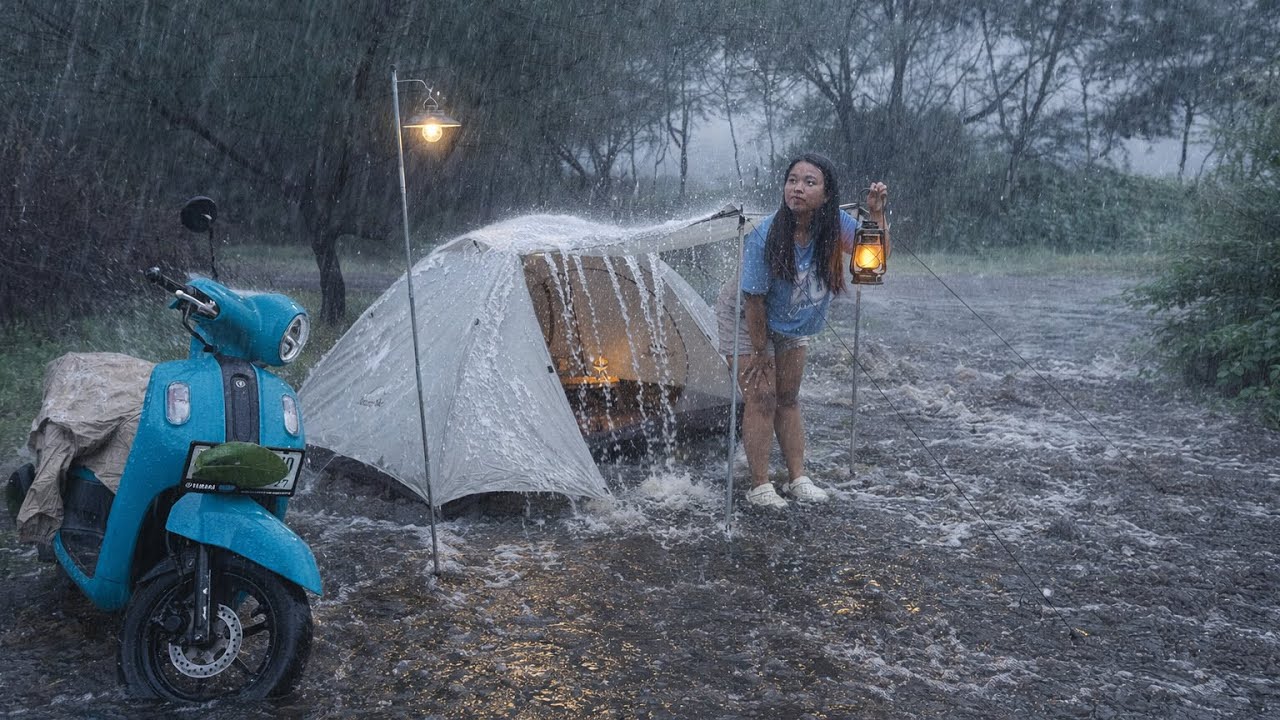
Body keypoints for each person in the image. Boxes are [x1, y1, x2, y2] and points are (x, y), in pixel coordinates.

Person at [716, 153, 889, 509]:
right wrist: (760, 351)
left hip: (792, 319)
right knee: (762, 396)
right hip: (747, 317)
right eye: (792, 180)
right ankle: (760, 485)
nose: (797, 188)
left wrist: (876, 215)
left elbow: (875, 261)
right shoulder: (765, 234)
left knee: (788, 397)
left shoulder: (835, 224)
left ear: (827, 195)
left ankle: (798, 478)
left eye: (810, 182)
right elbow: (754, 299)